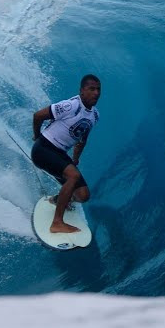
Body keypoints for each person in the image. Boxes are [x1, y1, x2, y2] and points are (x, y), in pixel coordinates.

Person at [31, 74, 101, 234]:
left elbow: (82, 139)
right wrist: (37, 135)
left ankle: (57, 200)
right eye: (91, 89)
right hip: (43, 149)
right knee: (73, 176)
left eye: (98, 89)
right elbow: (38, 115)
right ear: (82, 91)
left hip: (59, 153)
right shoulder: (71, 106)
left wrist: (75, 159)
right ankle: (57, 223)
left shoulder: (95, 115)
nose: (96, 93)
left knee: (83, 195)